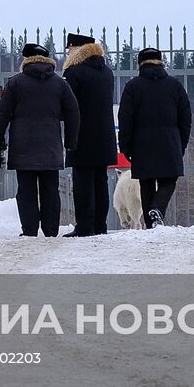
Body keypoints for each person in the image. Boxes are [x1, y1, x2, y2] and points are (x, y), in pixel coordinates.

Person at [0, 43, 80, 237]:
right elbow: (73, 112)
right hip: (51, 146)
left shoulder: (16, 83)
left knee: (26, 191)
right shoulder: (59, 83)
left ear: (26, 60)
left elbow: (3, 113)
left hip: (23, 147)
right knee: (50, 190)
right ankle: (50, 230)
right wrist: (70, 141)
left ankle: (29, 230)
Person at [117, 47, 192, 228]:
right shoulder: (175, 86)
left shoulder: (133, 87)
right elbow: (186, 117)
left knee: (147, 183)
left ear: (140, 64)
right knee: (169, 180)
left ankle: (152, 224)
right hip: (169, 142)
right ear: (161, 62)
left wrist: (125, 146)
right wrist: (181, 143)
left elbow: (125, 119)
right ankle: (157, 209)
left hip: (142, 145)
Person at [62, 33, 117, 236]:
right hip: (104, 135)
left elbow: (67, 104)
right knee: (100, 181)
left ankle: (85, 226)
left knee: (83, 182)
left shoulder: (74, 73)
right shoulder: (106, 72)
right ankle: (100, 225)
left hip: (82, 135)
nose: (68, 51)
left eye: (70, 47)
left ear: (77, 48)